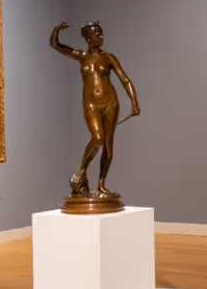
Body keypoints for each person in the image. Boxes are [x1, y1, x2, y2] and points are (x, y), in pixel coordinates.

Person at [51, 21, 140, 196]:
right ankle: (82, 170)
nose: (102, 37)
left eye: (102, 33)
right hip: (91, 104)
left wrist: (134, 102)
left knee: (108, 144)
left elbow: (125, 80)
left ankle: (101, 183)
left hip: (111, 103)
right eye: (98, 34)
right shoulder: (82, 56)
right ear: (89, 38)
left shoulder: (109, 58)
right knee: (97, 137)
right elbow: (55, 45)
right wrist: (56, 30)